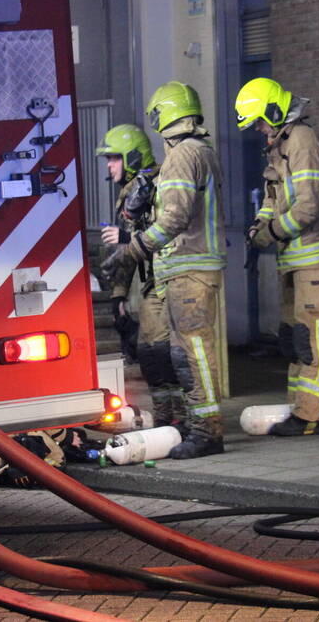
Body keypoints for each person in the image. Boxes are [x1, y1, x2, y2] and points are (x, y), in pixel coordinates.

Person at [114, 81, 227, 459]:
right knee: (188, 353)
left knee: (191, 354)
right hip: (193, 267)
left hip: (188, 267)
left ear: (164, 114)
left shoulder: (182, 155)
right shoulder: (202, 151)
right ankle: (200, 427)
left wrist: (136, 246)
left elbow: (175, 217)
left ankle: (207, 432)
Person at [236, 77, 319, 436]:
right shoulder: (279, 144)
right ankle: (299, 409)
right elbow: (274, 199)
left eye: (259, 122)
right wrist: (259, 225)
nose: (259, 130)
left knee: (311, 340)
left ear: (273, 110)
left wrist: (270, 233)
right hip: (292, 258)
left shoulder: (302, 141)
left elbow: (309, 206)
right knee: (293, 340)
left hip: (312, 256)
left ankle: (312, 416)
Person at [96, 124, 186, 429]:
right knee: (149, 354)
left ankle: (183, 417)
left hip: (169, 279)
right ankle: (165, 418)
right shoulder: (130, 193)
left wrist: (127, 237)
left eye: (114, 158)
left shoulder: (158, 186)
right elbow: (126, 252)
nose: (109, 166)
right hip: (150, 284)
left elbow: (165, 231)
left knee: (165, 354)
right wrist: (119, 295)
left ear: (132, 157)